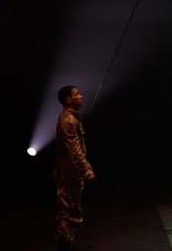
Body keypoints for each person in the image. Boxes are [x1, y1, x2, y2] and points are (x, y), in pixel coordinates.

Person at [55, 86, 96, 251]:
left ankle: (64, 243)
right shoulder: (69, 120)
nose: (81, 96)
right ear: (68, 100)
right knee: (69, 208)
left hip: (72, 170)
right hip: (70, 171)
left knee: (72, 207)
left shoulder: (73, 117)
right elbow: (74, 150)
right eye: (77, 94)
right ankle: (63, 244)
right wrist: (87, 171)